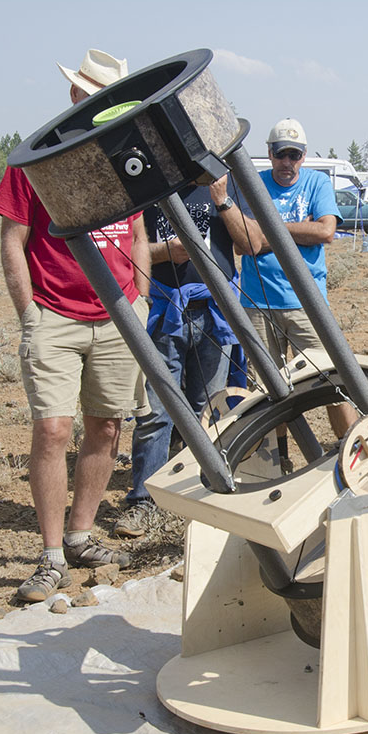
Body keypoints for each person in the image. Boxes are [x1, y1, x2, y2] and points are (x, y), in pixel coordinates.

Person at [0, 48, 151, 603]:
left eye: (108, 97)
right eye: (91, 94)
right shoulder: (33, 160)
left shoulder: (121, 155)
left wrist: (144, 297)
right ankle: (51, 555)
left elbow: (134, 235)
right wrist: (29, 312)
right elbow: (13, 239)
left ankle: (83, 535)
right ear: (75, 95)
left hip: (117, 315)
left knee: (107, 427)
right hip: (55, 316)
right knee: (53, 431)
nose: (98, 105)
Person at [116, 177, 242, 537]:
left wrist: (222, 200)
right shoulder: (144, 186)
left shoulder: (223, 182)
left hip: (214, 310)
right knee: (157, 411)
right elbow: (127, 247)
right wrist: (163, 253)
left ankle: (200, 496)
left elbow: (252, 243)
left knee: (210, 411)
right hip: (164, 306)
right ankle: (143, 500)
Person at [218, 117, 354, 436]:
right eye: (281, 154)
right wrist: (295, 230)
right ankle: (278, 462)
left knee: (333, 381)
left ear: (303, 156)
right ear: (269, 153)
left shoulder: (317, 183)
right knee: (268, 392)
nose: (287, 163)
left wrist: (269, 230)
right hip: (259, 304)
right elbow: (245, 243)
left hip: (306, 303)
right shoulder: (252, 184)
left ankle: (352, 451)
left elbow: (326, 231)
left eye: (294, 155)